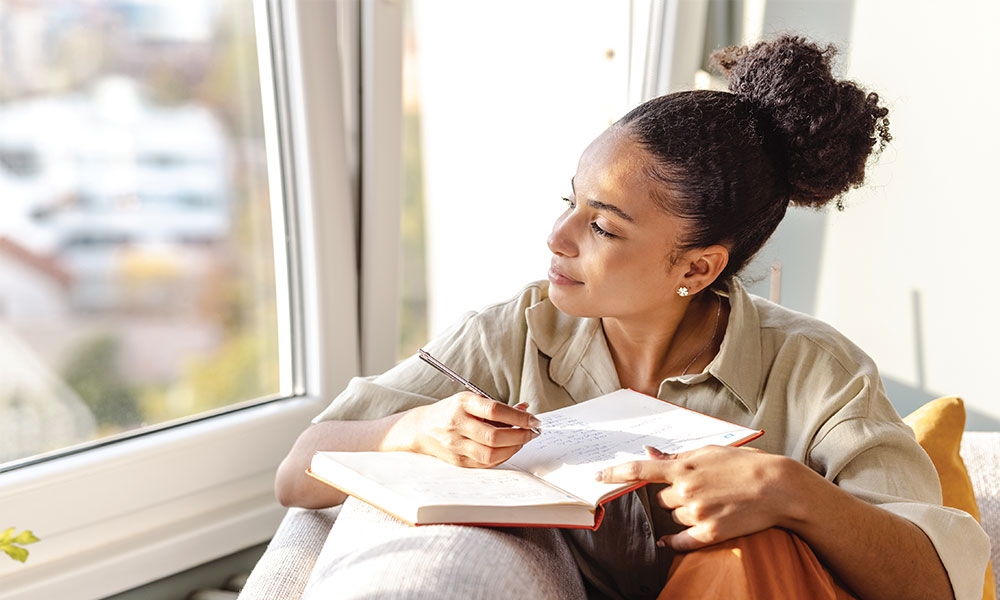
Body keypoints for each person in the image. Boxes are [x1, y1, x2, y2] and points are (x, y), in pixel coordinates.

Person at [275, 35, 990, 600]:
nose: (558, 239)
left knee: (756, 549)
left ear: (695, 268)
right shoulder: (514, 332)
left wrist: (791, 494)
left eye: (604, 228)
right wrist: (413, 430)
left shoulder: (816, 371)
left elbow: (932, 582)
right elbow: (298, 473)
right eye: (570, 202)